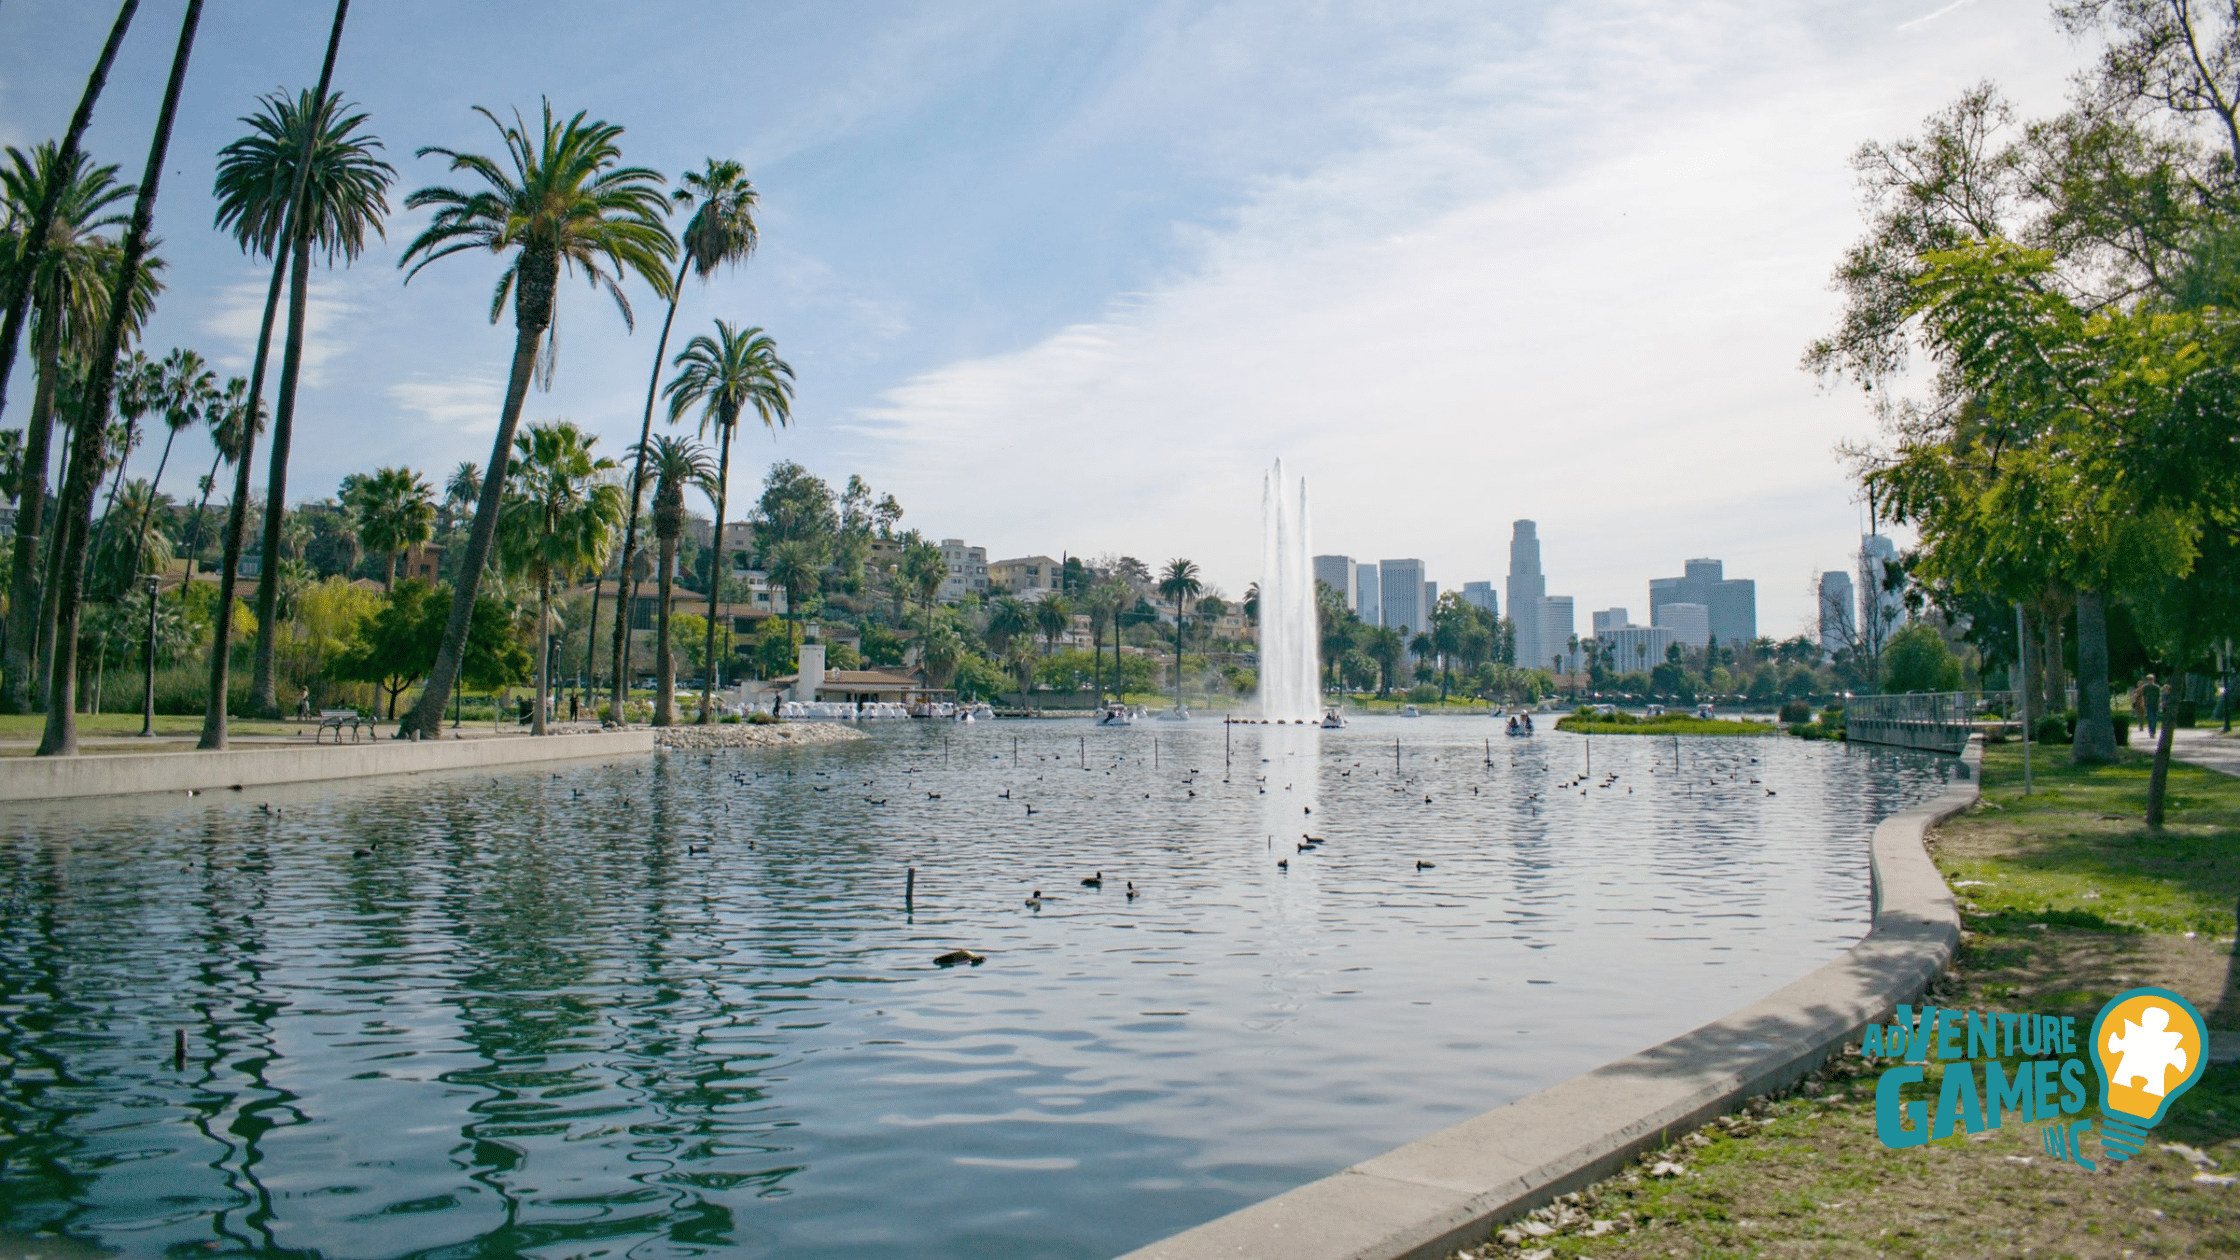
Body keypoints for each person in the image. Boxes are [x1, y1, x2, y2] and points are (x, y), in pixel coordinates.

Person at [2143, 672, 2161, 738]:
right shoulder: (2145, 687)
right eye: (2149, 679)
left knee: (2155, 719)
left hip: (2155, 705)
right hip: (2148, 705)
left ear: (2154, 679)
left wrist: (2159, 704)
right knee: (2150, 719)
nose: (2150, 680)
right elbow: (2144, 697)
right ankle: (2151, 732)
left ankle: (2153, 730)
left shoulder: (2157, 687)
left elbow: (2159, 697)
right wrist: (2144, 704)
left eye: (2151, 679)